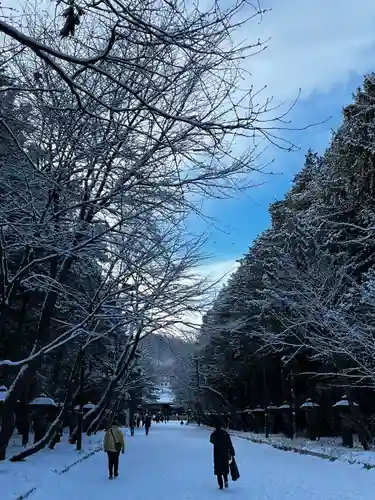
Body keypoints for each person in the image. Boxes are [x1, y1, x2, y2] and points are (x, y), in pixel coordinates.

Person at [210, 421, 235, 490]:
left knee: (218, 469)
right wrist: (232, 452)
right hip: (224, 453)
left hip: (217, 453)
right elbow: (229, 443)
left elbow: (211, 441)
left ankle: (220, 485)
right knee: (225, 467)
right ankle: (226, 480)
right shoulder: (225, 434)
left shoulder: (214, 434)